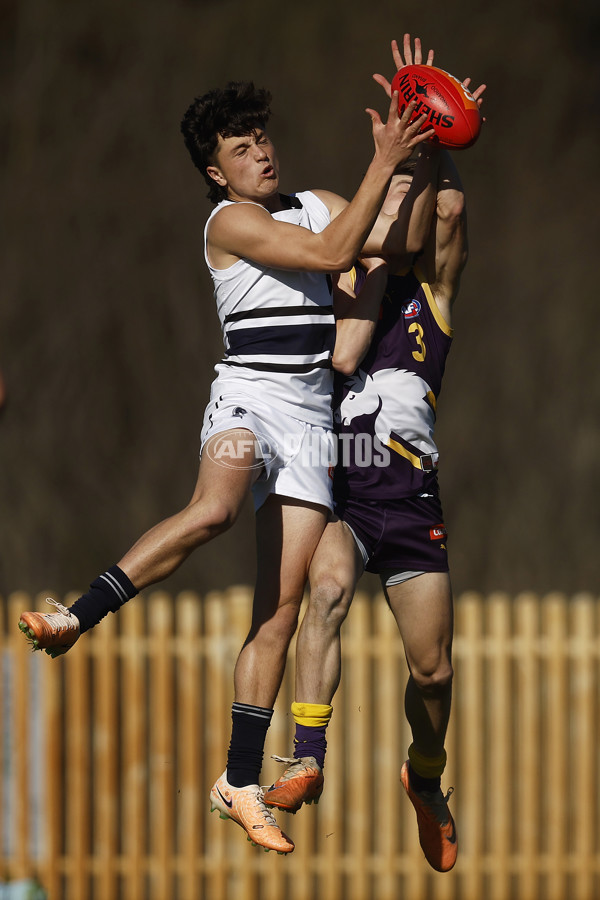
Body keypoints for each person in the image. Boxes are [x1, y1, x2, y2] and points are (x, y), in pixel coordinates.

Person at [18, 73, 435, 854]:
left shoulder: (313, 199)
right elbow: (335, 251)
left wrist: (432, 135)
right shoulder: (228, 222)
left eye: (262, 139)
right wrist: (383, 160)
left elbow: (399, 239)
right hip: (249, 398)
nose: (260, 155)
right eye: (241, 149)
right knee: (212, 508)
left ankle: (239, 782)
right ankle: (79, 615)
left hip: (312, 421)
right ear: (217, 171)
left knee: (276, 614)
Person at [262, 36, 485, 872]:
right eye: (384, 196)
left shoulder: (434, 297)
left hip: (411, 503)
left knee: (433, 674)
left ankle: (425, 777)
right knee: (322, 591)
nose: (395, 211)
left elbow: (448, 215)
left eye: (404, 197)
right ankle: (306, 759)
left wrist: (433, 127)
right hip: (345, 495)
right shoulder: (333, 303)